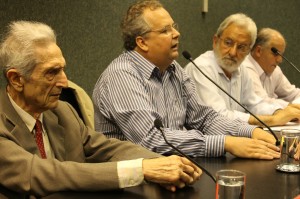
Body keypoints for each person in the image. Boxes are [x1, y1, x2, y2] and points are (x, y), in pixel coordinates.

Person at [0, 20, 202, 197]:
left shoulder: (62, 111)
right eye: (52, 73)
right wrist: (141, 170)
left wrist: (163, 164)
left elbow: (107, 148)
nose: (64, 82)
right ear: (16, 79)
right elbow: (44, 174)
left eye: (63, 69)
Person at [93, 0, 280, 160]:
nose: (176, 34)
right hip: (132, 181)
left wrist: (252, 132)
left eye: (174, 26)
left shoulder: (174, 70)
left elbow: (204, 118)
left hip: (174, 168)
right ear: (142, 42)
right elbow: (151, 140)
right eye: (165, 30)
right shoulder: (122, 75)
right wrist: (225, 143)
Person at [184, 13, 300, 127]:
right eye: (228, 43)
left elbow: (254, 105)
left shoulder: (241, 69)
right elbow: (218, 117)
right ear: (215, 41)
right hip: (205, 142)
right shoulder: (201, 68)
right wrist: (272, 120)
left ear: (249, 51)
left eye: (241, 47)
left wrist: (279, 112)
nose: (233, 52)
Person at [242, 28, 300, 107]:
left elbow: (294, 94)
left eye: (281, 55)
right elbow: (262, 103)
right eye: (276, 54)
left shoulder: (275, 70)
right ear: (258, 51)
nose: (280, 60)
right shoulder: (245, 68)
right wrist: (293, 107)